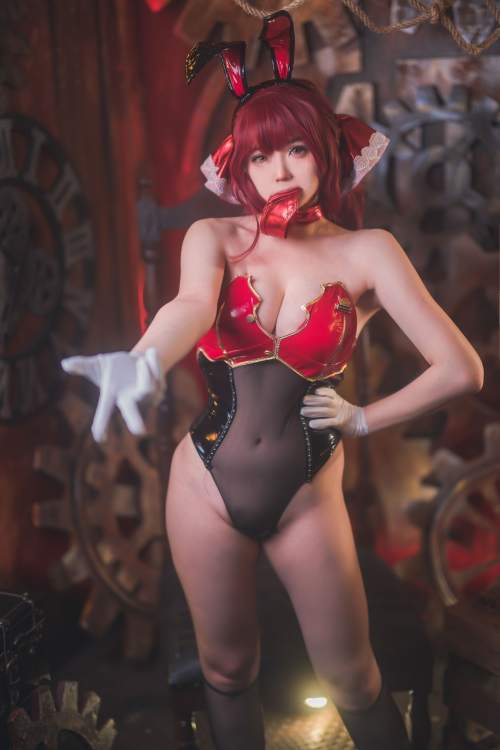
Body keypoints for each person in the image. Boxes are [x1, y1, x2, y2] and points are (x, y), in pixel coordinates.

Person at [62, 11, 484, 750]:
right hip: (204, 483)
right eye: (259, 156)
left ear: (325, 147)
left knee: (353, 679)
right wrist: (143, 359)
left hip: (307, 493)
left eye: (294, 148)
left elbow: (461, 368)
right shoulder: (214, 237)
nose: (278, 172)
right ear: (239, 165)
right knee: (227, 671)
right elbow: (190, 307)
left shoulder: (369, 251)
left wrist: (362, 419)